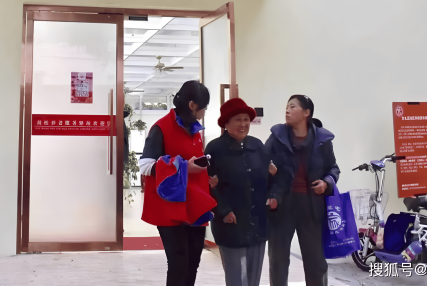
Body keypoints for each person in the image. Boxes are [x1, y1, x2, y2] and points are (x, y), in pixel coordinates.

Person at [139, 80, 217, 286]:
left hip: (194, 205)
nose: (203, 113)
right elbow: (145, 165)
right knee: (178, 264)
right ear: (192, 105)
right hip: (169, 208)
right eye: (203, 108)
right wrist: (183, 167)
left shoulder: (194, 130)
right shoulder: (161, 128)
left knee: (193, 262)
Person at [265, 95, 340, 286]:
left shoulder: (322, 139)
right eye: (287, 106)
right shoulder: (277, 136)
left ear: (307, 113)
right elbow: (262, 161)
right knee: (278, 259)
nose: (287, 110)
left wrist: (326, 183)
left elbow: (333, 169)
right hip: (282, 205)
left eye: (292, 106)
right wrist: (268, 170)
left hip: (311, 206)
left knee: (315, 261)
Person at [205, 98, 277, 286]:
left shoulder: (257, 146)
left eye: (246, 119)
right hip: (231, 220)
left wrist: (272, 181)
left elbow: (268, 180)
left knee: (254, 277)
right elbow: (208, 185)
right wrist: (223, 211)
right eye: (238, 119)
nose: (243, 124)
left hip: (258, 220)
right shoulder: (214, 149)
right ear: (226, 123)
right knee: (236, 277)